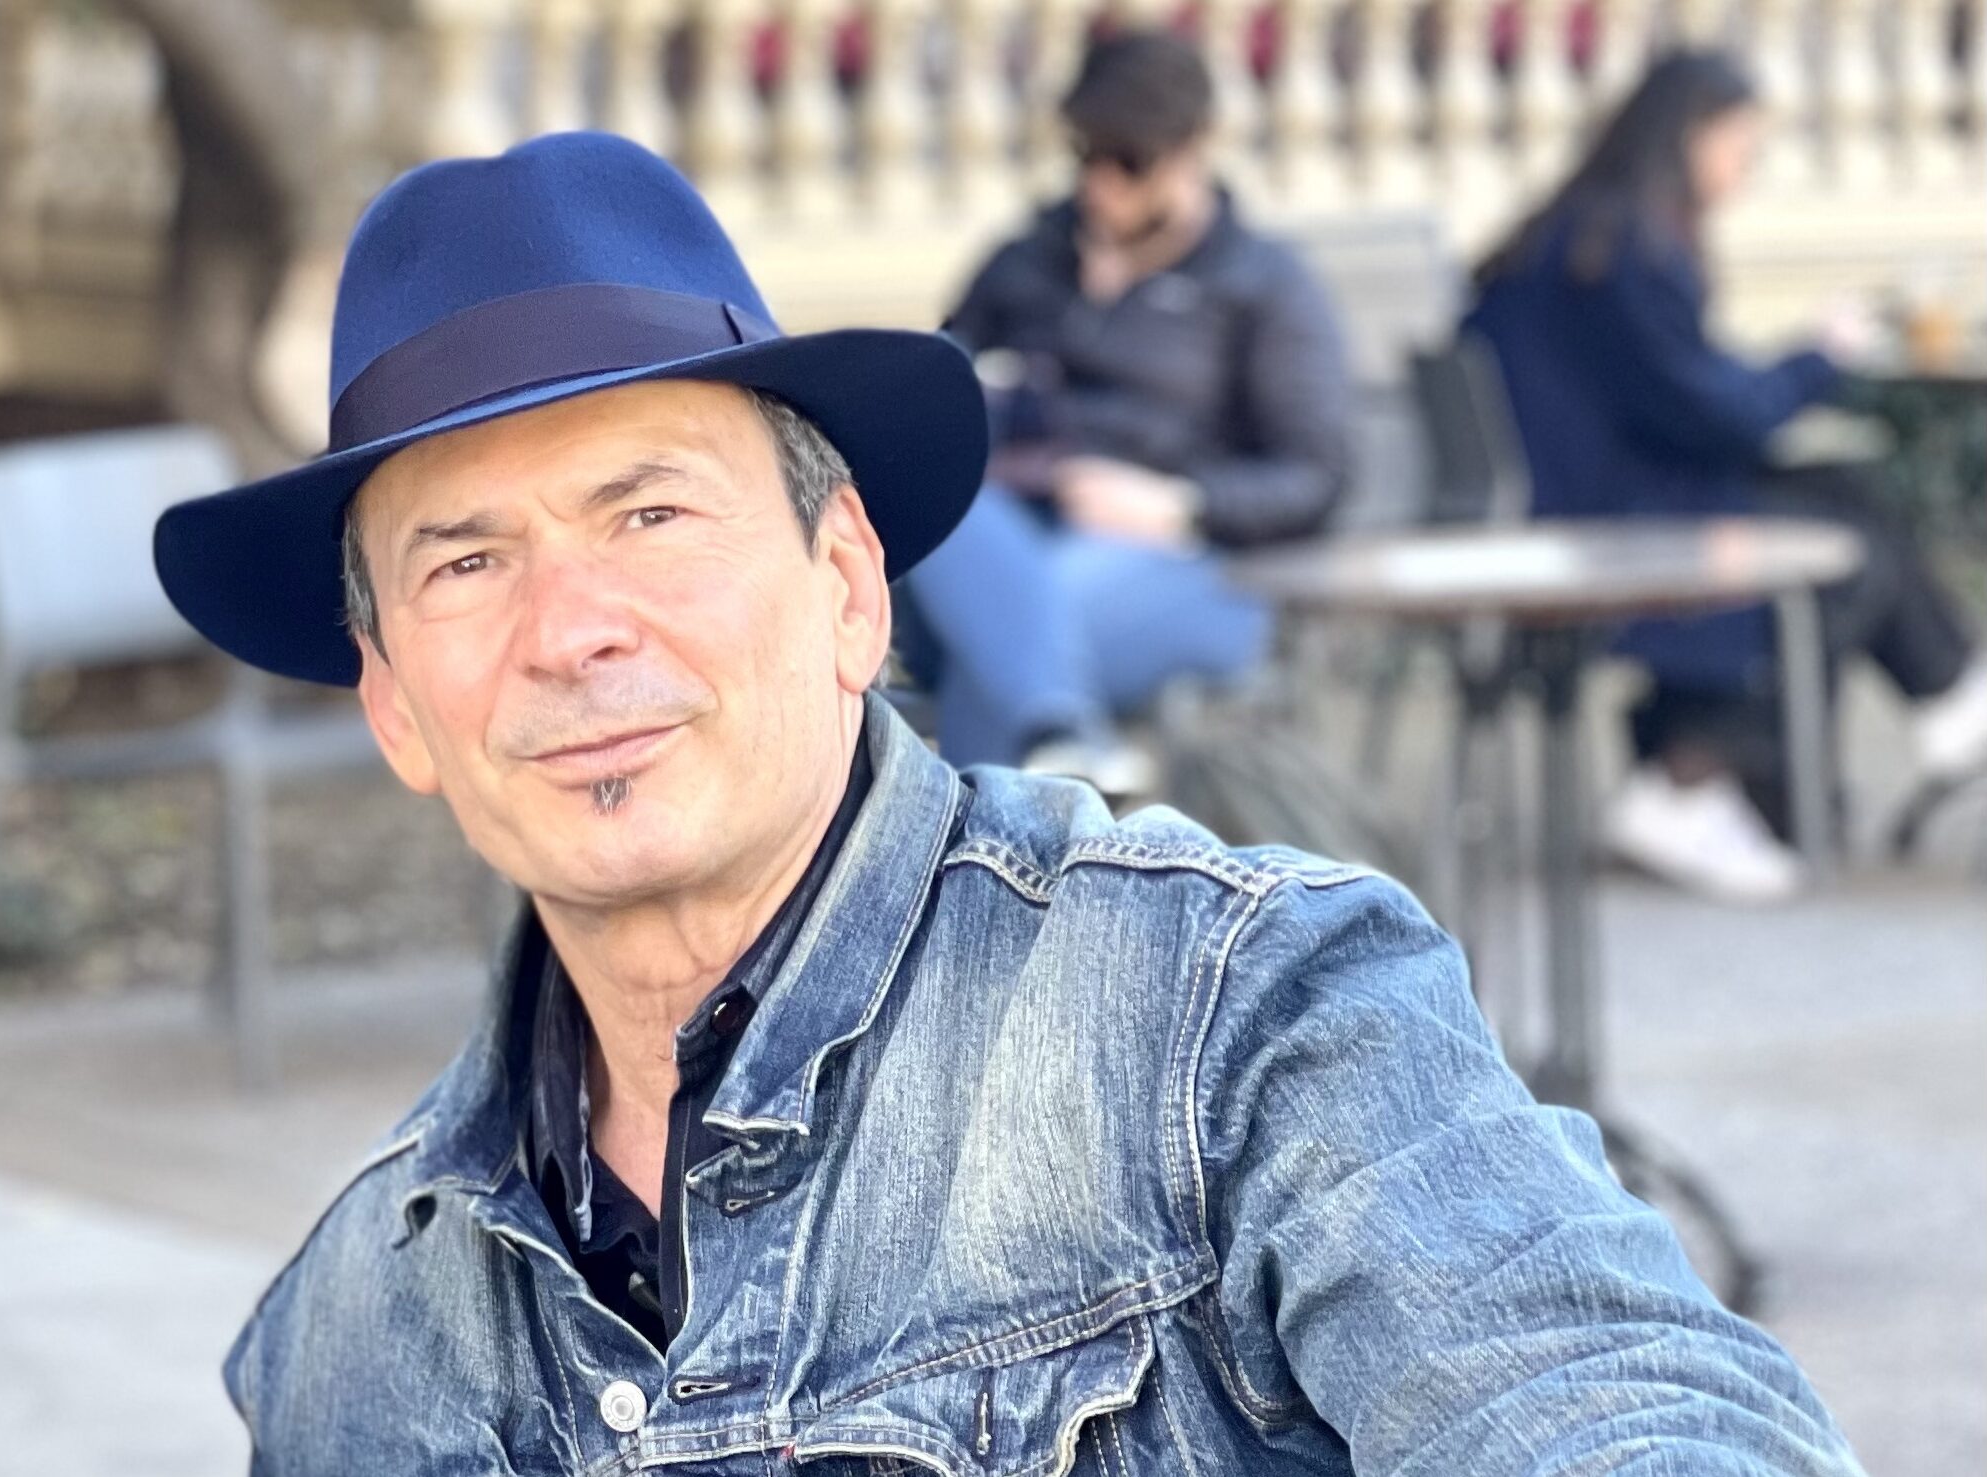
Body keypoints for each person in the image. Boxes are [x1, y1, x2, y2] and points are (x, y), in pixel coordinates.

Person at [153, 130, 1861, 1474]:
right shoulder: (353, 1331)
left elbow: (1611, 1397)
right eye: (464, 559)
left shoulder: (1231, 1023)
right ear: (395, 705)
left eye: (652, 514)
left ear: (847, 587)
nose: (573, 627)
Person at [1466, 50, 1987, 902]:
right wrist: (1821, 356)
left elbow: (1687, 397)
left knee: (1841, 500)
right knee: (1836, 548)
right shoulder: (1620, 251)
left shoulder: (1587, 230)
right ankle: (1689, 779)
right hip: (1602, 517)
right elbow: (1715, 412)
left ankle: (1948, 696)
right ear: (1688, 138)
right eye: (1738, 144)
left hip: (1584, 491)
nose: (1744, 167)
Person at [896, 29, 1354, 778]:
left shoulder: (1259, 287)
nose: (1102, 184)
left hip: (1188, 564)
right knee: (959, 522)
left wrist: (1180, 505)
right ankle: (1064, 745)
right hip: (1007, 528)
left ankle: (1037, 765)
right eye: (1087, 156)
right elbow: (926, 397)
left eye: (1130, 161)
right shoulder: (1025, 264)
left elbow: (1316, 475)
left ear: (1193, 150)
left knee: (1004, 637)